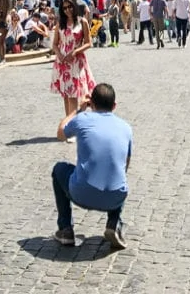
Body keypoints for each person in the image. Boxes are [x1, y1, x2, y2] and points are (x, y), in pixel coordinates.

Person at [52, 82, 132, 251]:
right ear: (114, 105)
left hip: (82, 193)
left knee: (59, 169)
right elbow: (125, 165)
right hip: (114, 198)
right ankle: (113, 222)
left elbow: (60, 133)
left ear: (92, 104)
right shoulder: (126, 128)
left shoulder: (83, 119)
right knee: (119, 176)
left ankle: (65, 229)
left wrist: (77, 110)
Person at [50, 0, 95, 118]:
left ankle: (73, 125)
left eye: (70, 6)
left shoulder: (82, 21)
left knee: (73, 94)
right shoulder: (61, 23)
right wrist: (59, 55)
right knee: (66, 94)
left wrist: (75, 52)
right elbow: (54, 44)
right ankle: (69, 125)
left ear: (74, 6)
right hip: (62, 61)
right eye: (64, 8)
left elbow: (89, 42)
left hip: (76, 61)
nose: (67, 10)